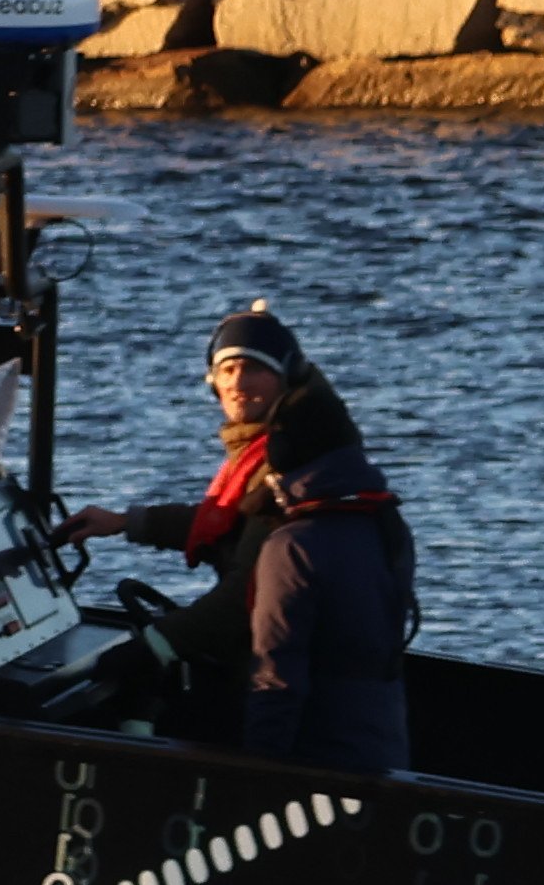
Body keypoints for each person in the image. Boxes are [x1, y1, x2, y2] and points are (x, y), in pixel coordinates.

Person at [70, 302, 415, 774]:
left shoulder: (287, 478)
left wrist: (153, 647)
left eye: (253, 368)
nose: (237, 382)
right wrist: (128, 523)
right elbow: (228, 521)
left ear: (286, 377)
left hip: (321, 736)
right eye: (227, 369)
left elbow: (244, 599)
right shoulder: (308, 451)